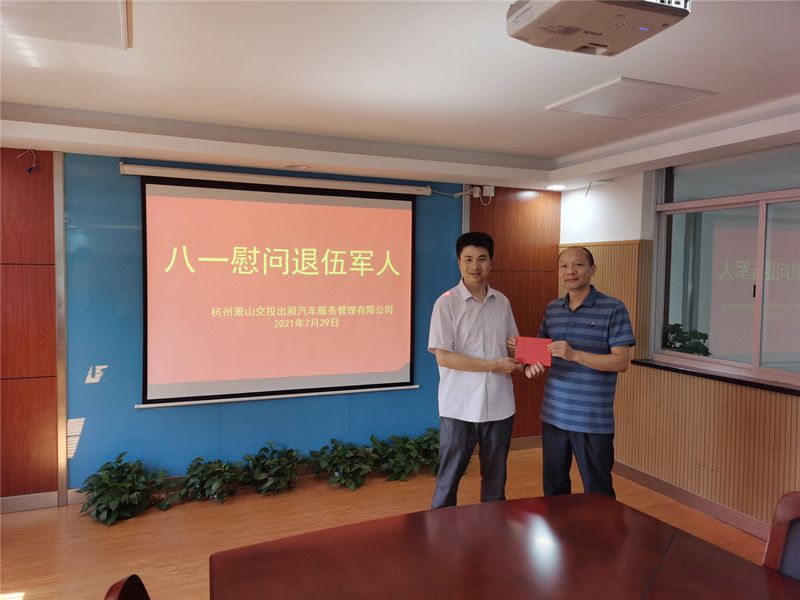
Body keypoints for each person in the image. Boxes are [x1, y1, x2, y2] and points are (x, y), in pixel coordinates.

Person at [522, 246, 635, 498]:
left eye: (578, 265)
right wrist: (530, 368)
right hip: (553, 414)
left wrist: (574, 355)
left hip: (592, 419)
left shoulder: (613, 308)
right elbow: (539, 356)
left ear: (592, 269)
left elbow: (621, 362)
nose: (570, 271)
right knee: (554, 488)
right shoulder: (552, 309)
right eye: (564, 266)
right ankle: (557, 526)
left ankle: (601, 527)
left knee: (597, 492)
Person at [428, 231, 521, 509]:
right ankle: (441, 527)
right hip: (460, 407)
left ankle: (493, 528)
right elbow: (444, 357)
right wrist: (493, 365)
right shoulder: (446, 303)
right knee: (449, 479)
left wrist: (526, 361)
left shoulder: (502, 302)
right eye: (468, 259)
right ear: (458, 262)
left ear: (491, 261)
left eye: (482, 258)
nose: (475, 265)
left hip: (500, 406)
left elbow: (513, 346)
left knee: (496, 481)